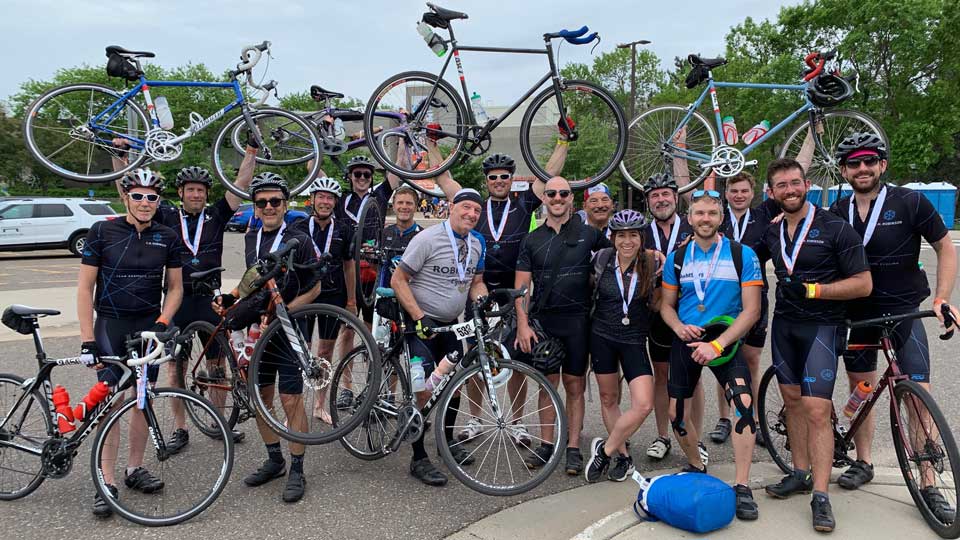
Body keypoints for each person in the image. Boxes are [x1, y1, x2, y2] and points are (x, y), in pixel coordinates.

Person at [828, 133, 959, 518]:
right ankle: (863, 460)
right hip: (860, 315)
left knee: (918, 397)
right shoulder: (837, 210)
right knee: (861, 388)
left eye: (870, 161)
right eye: (854, 163)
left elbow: (945, 247)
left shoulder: (910, 201)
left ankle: (928, 482)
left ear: (882, 165)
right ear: (844, 170)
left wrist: (942, 297)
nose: (863, 168)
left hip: (904, 311)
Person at [111, 140, 255, 449]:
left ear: (206, 194)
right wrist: (120, 157)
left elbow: (241, 183)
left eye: (201, 190)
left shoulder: (216, 215)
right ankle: (180, 428)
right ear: (181, 192)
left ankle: (219, 423)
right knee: (176, 368)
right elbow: (130, 191)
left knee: (217, 366)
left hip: (209, 299)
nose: (196, 194)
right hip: (178, 300)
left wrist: (252, 151)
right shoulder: (165, 215)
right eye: (190, 190)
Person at [757, 158, 872, 533]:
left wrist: (814, 290)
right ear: (772, 193)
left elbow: (863, 284)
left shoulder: (835, 227)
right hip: (784, 326)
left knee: (817, 411)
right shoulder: (772, 231)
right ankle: (800, 473)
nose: (789, 190)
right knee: (792, 401)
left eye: (795, 183)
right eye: (781, 185)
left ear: (807, 185)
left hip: (822, 327)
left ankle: (821, 495)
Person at [431, 137, 568, 443]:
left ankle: (517, 422)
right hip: (477, 294)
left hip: (513, 295)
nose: (498, 181)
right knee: (476, 359)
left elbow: (548, 174)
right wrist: (431, 144)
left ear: (511, 178)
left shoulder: (523, 204)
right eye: (493, 177)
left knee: (517, 361)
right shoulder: (473, 207)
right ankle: (476, 419)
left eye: (504, 176)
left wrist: (562, 141)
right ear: (486, 181)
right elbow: (444, 179)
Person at [78, 168, 183, 517]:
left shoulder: (167, 236)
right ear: (125, 197)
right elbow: (84, 289)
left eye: (152, 197)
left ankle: (134, 468)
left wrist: (163, 321)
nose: (144, 202)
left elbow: (176, 288)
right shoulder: (102, 231)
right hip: (111, 325)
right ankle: (106, 480)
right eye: (137, 195)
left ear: (158, 201)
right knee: (111, 403)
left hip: (147, 328)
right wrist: (87, 339)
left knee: (142, 400)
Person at [656, 189, 763, 520]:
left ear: (721, 218)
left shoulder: (742, 254)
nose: (705, 219)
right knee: (677, 415)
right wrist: (678, 328)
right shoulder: (677, 258)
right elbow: (666, 306)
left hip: (724, 340)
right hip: (688, 339)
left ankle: (742, 486)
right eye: (699, 213)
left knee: (743, 405)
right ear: (689, 218)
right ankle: (696, 464)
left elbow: (752, 311)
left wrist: (718, 345)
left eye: (712, 213)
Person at [226, 173, 321, 504]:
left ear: (285, 204)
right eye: (262, 202)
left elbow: (315, 288)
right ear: (255, 207)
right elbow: (251, 281)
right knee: (261, 398)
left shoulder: (299, 239)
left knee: (290, 399)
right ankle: (274, 459)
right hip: (259, 330)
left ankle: (297, 468)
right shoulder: (251, 237)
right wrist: (231, 298)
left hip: (289, 329)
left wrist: (286, 312)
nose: (269, 207)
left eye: (275, 201)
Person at [390, 188, 488, 486]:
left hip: (450, 325)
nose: (471, 214)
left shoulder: (476, 243)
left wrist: (485, 303)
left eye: (477, 211)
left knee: (453, 387)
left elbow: (476, 282)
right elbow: (398, 280)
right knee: (423, 390)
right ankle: (418, 458)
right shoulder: (428, 239)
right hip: (420, 324)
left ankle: (446, 443)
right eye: (466, 207)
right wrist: (420, 316)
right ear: (451, 207)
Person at [514, 176, 610, 475]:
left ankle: (572, 447)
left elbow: (622, 257)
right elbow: (521, 288)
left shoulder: (589, 234)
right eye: (552, 193)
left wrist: (652, 255)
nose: (557, 198)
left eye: (563, 193)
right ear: (544, 198)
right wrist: (523, 325)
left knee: (575, 385)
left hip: (578, 322)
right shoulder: (531, 239)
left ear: (571, 199)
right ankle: (546, 445)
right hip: (545, 322)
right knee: (547, 385)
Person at [584, 210, 659, 483]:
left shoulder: (652, 263)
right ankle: (623, 456)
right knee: (608, 398)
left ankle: (605, 451)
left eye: (633, 235)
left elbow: (659, 302)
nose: (627, 241)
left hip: (634, 339)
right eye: (621, 236)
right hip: (602, 336)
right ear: (613, 238)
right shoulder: (601, 259)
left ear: (641, 238)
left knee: (644, 404)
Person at [641, 173, 707, 467]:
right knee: (662, 374)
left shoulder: (693, 225)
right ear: (648, 201)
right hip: (658, 311)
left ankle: (696, 438)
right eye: (654, 195)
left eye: (665, 193)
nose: (661, 199)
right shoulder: (642, 232)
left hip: (691, 310)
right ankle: (663, 436)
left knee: (694, 376)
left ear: (675, 197)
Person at [707, 172, 779, 444]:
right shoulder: (717, 217)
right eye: (734, 191)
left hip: (756, 296)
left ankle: (756, 419)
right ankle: (724, 418)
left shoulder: (764, 216)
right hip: (723, 298)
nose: (739, 195)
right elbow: (687, 186)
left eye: (744, 191)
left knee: (751, 362)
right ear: (726, 194)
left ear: (752, 193)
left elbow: (796, 172)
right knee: (723, 358)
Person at [293, 176, 357, 423]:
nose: (325, 201)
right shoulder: (298, 227)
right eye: (321, 196)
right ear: (312, 199)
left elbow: (349, 266)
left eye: (330, 198)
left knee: (325, 351)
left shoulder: (344, 229)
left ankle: (320, 405)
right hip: (305, 295)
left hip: (333, 295)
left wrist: (351, 301)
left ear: (335, 202)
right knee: (302, 351)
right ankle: (296, 406)